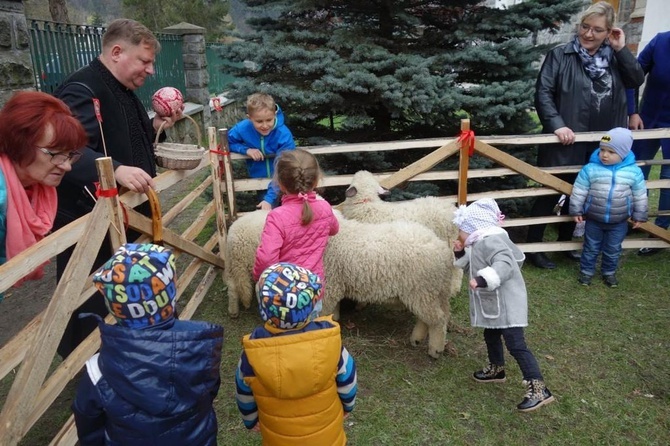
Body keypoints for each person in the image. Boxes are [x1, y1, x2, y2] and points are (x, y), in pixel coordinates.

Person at [53, 18, 182, 357]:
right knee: (93, 298)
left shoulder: (123, 90)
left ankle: (136, 355)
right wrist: (120, 170)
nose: (151, 70)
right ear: (116, 51)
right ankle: (91, 367)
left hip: (126, 216)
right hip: (90, 222)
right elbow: (65, 153)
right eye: (145, 61)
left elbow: (132, 141)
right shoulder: (80, 89)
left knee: (131, 294)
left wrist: (157, 126)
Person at [528, 1, 645, 270]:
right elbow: (543, 92)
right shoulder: (561, 55)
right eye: (585, 27)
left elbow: (636, 80)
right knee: (550, 190)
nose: (589, 34)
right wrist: (557, 124)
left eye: (597, 30)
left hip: (600, 143)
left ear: (609, 32)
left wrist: (622, 49)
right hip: (565, 138)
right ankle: (535, 246)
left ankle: (567, 243)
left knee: (583, 192)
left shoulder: (616, 57)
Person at [72, 243, 224, 446]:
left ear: (114, 306)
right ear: (169, 293)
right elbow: (210, 390)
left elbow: (88, 422)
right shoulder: (201, 343)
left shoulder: (98, 371)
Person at [235, 263, 357, 444]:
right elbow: (348, 380)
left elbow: (244, 394)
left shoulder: (252, 356)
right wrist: (348, 405)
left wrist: (250, 420)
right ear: (310, 308)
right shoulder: (331, 344)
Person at [452, 198, 554, 412]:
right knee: (491, 335)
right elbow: (473, 264)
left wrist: (482, 280)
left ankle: (539, 388)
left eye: (461, 230)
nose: (459, 234)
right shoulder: (481, 242)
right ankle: (496, 369)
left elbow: (505, 264)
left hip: (507, 305)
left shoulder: (492, 242)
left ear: (474, 228)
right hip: (494, 304)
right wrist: (460, 252)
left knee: (516, 345)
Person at [0, 91, 87, 301]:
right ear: (19, 143)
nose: (66, 165)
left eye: (69, 155)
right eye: (54, 153)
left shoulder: (34, 189)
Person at [569, 128, 647, 287]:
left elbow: (640, 194)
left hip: (619, 221)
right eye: (602, 150)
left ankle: (609, 272)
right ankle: (586, 272)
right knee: (590, 247)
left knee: (613, 249)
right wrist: (576, 209)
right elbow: (579, 190)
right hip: (594, 219)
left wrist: (639, 215)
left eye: (611, 152)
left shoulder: (633, 172)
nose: (604, 154)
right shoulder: (590, 169)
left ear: (624, 152)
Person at [252, 149, 339, 290]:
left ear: (280, 184)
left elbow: (267, 257)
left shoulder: (277, 216)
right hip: (313, 287)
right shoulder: (324, 207)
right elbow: (334, 229)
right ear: (316, 181)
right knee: (314, 312)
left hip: (284, 289)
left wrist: (258, 277)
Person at [627, 31, 670, 256]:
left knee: (668, 179)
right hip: (648, 120)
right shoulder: (661, 42)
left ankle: (658, 232)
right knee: (636, 171)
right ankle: (633, 218)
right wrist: (632, 112)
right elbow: (632, 75)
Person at [228, 92, 296, 210]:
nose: (265, 125)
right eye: (259, 121)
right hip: (261, 183)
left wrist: (269, 199)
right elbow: (227, 142)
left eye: (269, 120)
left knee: (288, 214)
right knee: (267, 218)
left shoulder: (283, 135)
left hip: (285, 183)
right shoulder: (243, 128)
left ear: (275, 114)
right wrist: (246, 150)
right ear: (249, 118)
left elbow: (284, 168)